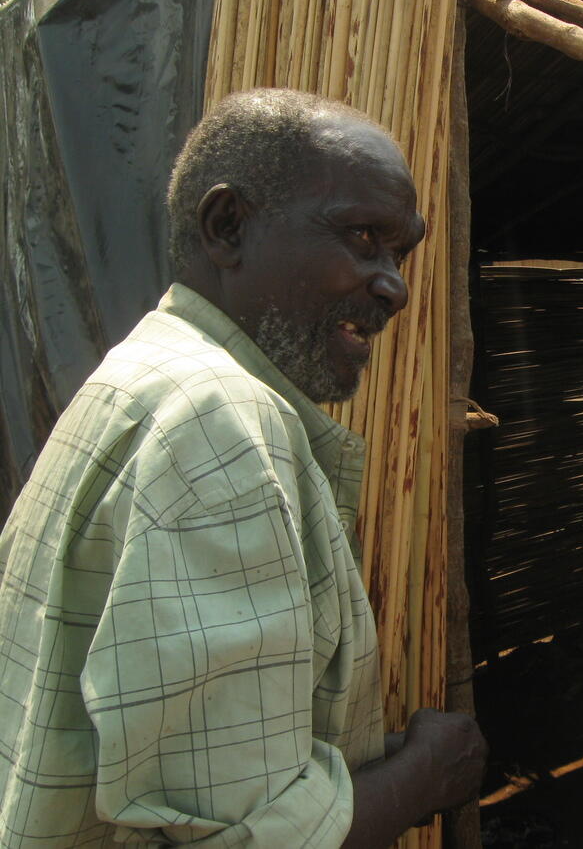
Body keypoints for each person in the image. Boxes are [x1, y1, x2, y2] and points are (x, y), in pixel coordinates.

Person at [0, 89, 486, 847]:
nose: (393, 284)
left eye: (400, 252)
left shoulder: (143, 376)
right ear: (227, 227)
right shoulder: (215, 422)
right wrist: (424, 778)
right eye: (362, 237)